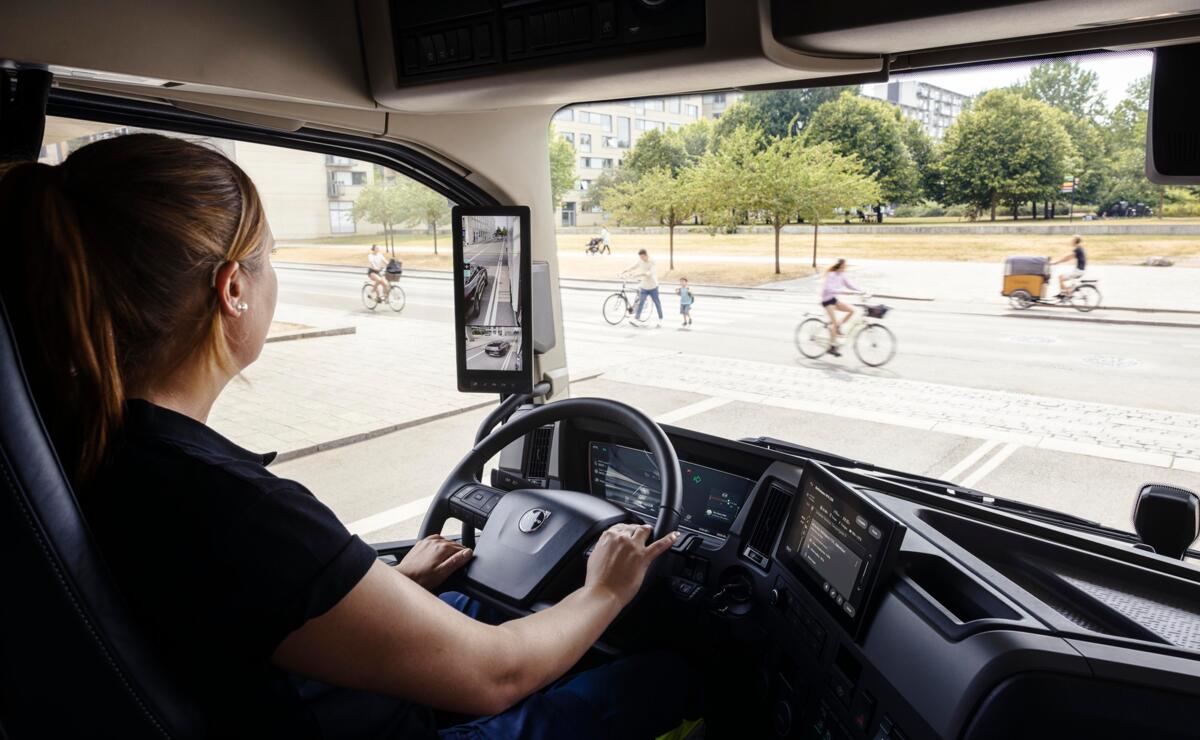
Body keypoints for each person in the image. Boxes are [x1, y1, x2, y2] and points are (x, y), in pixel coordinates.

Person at [0, 134, 695, 739]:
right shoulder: (227, 504)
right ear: (232, 290)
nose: (274, 278)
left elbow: (237, 612)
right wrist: (605, 590)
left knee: (464, 603)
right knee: (670, 676)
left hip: (284, 705)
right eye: (267, 258)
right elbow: (498, 675)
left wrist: (386, 584)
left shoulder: (99, 451)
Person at [820, 258, 863, 357]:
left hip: (834, 299)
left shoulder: (842, 275)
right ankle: (831, 347)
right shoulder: (831, 274)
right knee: (834, 323)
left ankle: (838, 326)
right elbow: (828, 288)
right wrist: (841, 291)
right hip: (827, 300)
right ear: (839, 266)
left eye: (845, 266)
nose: (845, 268)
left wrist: (860, 291)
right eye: (844, 266)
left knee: (851, 311)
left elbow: (849, 284)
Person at [622, 248, 662, 328]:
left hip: (653, 286)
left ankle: (660, 319)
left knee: (657, 303)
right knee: (641, 302)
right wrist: (625, 270)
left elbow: (648, 273)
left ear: (646, 255)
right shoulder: (640, 261)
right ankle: (636, 319)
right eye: (640, 257)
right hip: (644, 286)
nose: (641, 259)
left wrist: (637, 275)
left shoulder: (652, 262)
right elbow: (634, 266)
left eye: (642, 257)